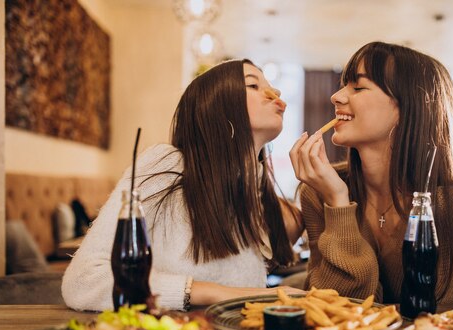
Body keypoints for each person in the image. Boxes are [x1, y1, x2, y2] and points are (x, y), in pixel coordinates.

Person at [62, 59, 304, 312]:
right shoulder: (167, 164)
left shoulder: (255, 191)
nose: (274, 94)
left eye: (273, 88)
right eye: (253, 85)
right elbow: (83, 281)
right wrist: (214, 293)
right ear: (216, 105)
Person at [289, 42, 453, 304]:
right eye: (342, 85)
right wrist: (338, 202)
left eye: (358, 87)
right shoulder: (319, 192)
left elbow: (442, 316)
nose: (336, 97)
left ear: (408, 108)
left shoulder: (451, 203)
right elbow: (332, 305)